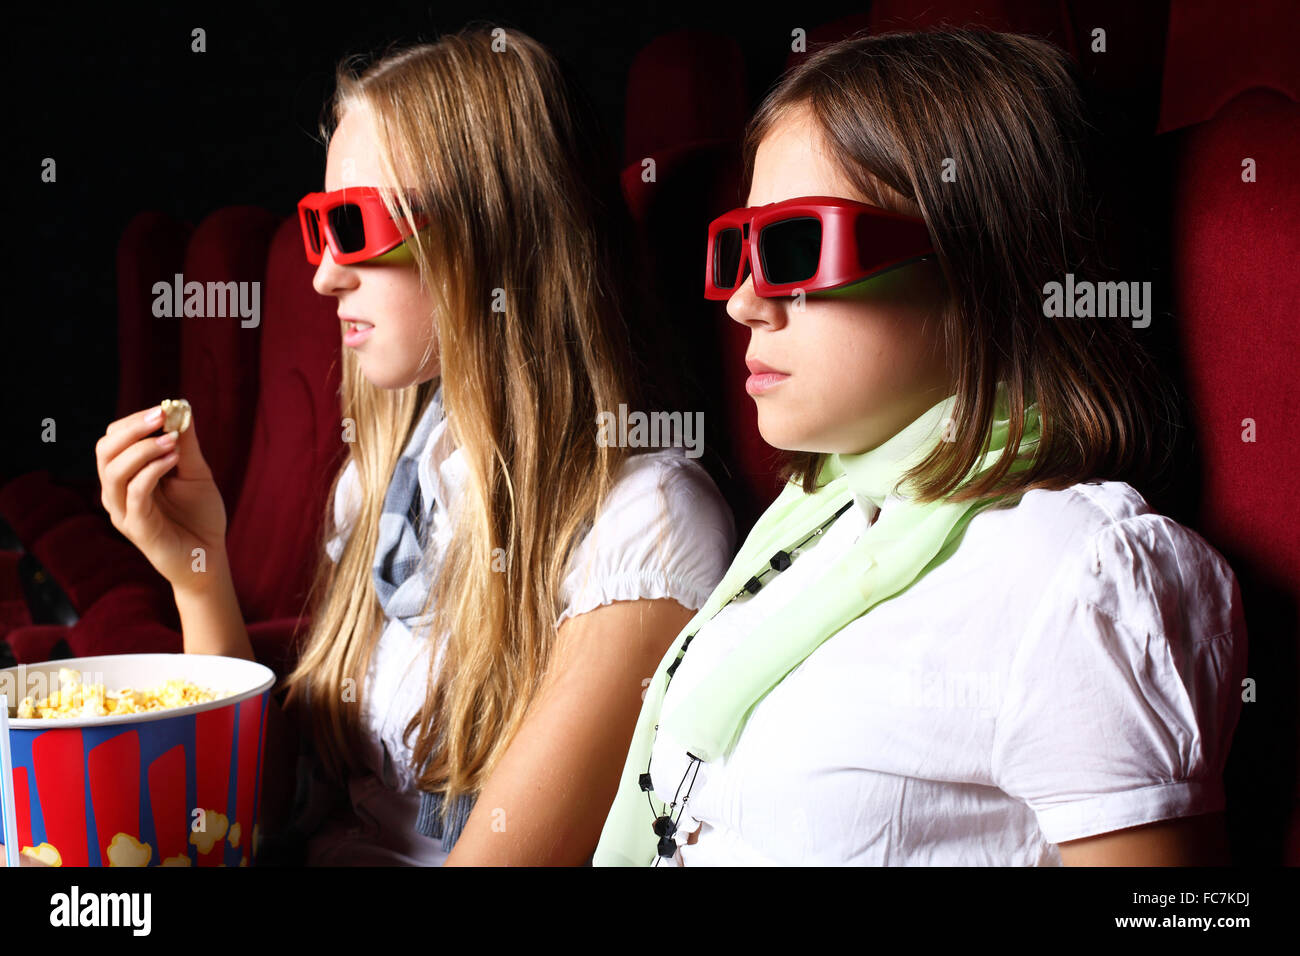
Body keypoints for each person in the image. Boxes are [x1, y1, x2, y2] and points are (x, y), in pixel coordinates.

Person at [596, 28, 1247, 866]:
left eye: (797, 248)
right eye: (735, 250)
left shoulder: (1084, 579)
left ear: (980, 267)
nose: (746, 305)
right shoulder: (809, 522)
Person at [93, 25, 735, 866]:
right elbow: (248, 806)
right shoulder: (392, 472)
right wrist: (195, 564)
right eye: (316, 226)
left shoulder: (644, 527)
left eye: (353, 227)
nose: (323, 274)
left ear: (493, 231)